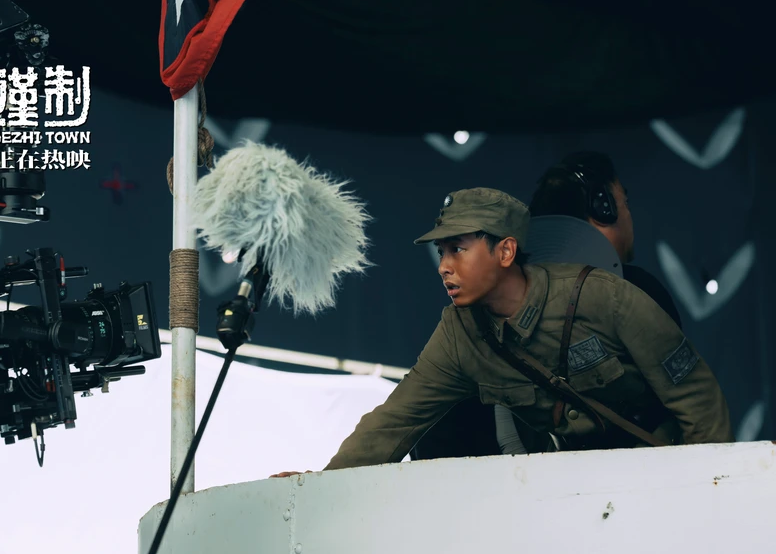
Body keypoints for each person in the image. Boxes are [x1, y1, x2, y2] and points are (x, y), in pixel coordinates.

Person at [272, 187, 732, 476]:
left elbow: (695, 397)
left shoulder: (602, 297)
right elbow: (396, 421)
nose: (444, 267)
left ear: (506, 252)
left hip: (656, 469)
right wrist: (322, 485)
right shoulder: (459, 334)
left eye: (458, 249)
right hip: (573, 484)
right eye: (441, 253)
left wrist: (712, 487)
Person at [410, 151, 685, 461]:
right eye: (625, 204)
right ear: (603, 209)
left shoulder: (478, 306)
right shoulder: (637, 290)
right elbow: (687, 399)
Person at [529, 151, 682, 327]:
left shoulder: (523, 296)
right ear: (603, 210)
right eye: (625, 202)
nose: (629, 214)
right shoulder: (641, 293)